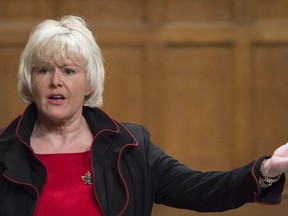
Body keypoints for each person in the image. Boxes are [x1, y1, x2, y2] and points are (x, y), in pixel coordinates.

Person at [0, 15, 287, 216]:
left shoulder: (130, 147)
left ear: (88, 84)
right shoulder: (5, 154)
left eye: (69, 70)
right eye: (43, 70)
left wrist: (266, 171)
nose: (55, 81)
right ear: (30, 80)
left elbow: (202, 190)